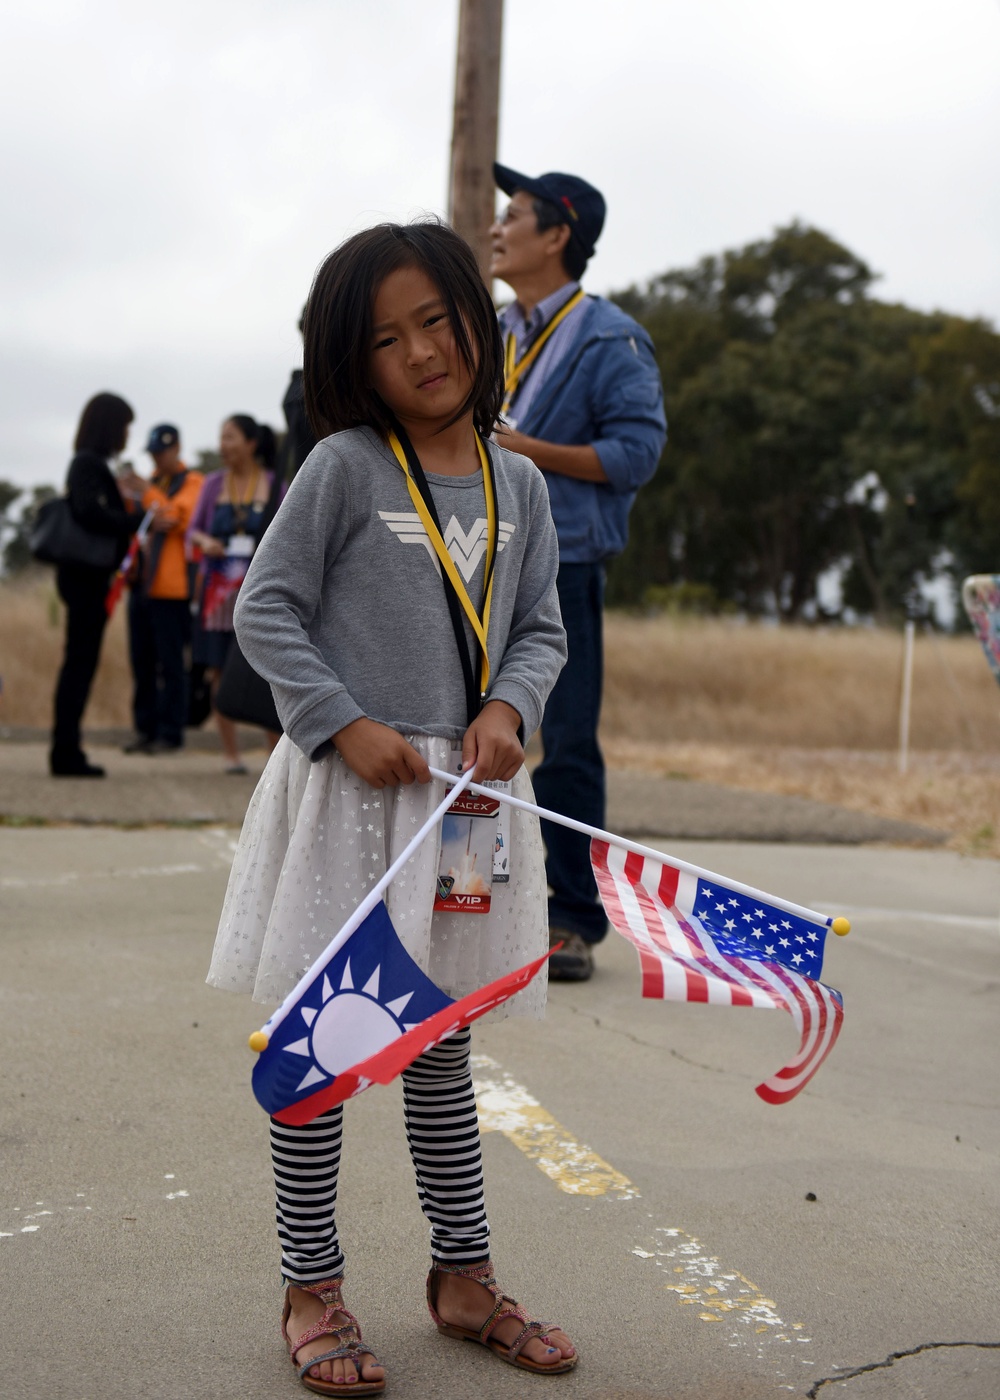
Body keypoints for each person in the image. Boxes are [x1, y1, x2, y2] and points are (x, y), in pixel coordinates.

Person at [206, 219, 574, 1395]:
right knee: (327, 1038)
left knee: (437, 1044)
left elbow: (540, 627)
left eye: (436, 319)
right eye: (385, 338)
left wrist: (511, 710)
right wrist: (337, 718)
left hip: (464, 816)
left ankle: (461, 1276)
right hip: (352, 799)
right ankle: (310, 1285)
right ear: (349, 364)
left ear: (477, 314)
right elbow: (265, 610)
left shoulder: (519, 480)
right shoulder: (345, 469)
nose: (420, 351)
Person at [489, 163, 667, 981]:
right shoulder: (490, 329)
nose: (497, 226)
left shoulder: (611, 336)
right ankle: (468, 896)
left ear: (558, 235)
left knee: (561, 743)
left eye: (514, 214)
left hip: (564, 560)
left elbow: (636, 455)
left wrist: (528, 451)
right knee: (460, 727)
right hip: (472, 555)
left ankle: (572, 918)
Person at [50, 392, 142, 777]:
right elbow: (88, 511)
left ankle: (67, 748)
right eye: (123, 426)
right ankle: (66, 752)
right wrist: (134, 522)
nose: (126, 435)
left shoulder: (89, 463)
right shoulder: (88, 464)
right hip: (85, 579)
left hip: (86, 578)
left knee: (80, 662)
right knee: (79, 664)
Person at [187, 415, 281, 773]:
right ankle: (231, 753)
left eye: (230, 437)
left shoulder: (276, 485)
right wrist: (203, 541)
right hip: (218, 595)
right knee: (218, 671)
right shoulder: (212, 484)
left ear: (251, 443)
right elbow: (191, 531)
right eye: (221, 437)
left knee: (268, 669)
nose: (223, 445)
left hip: (260, 593)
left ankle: (274, 753)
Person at [122, 424, 203, 754]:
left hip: (172, 589)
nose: (158, 459)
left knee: (171, 664)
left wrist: (149, 499)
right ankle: (146, 729)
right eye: (153, 453)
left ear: (176, 448)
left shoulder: (193, 482)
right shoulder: (152, 484)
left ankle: (171, 733)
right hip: (141, 586)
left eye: (162, 452)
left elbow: (180, 518)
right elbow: (154, 518)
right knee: (141, 662)